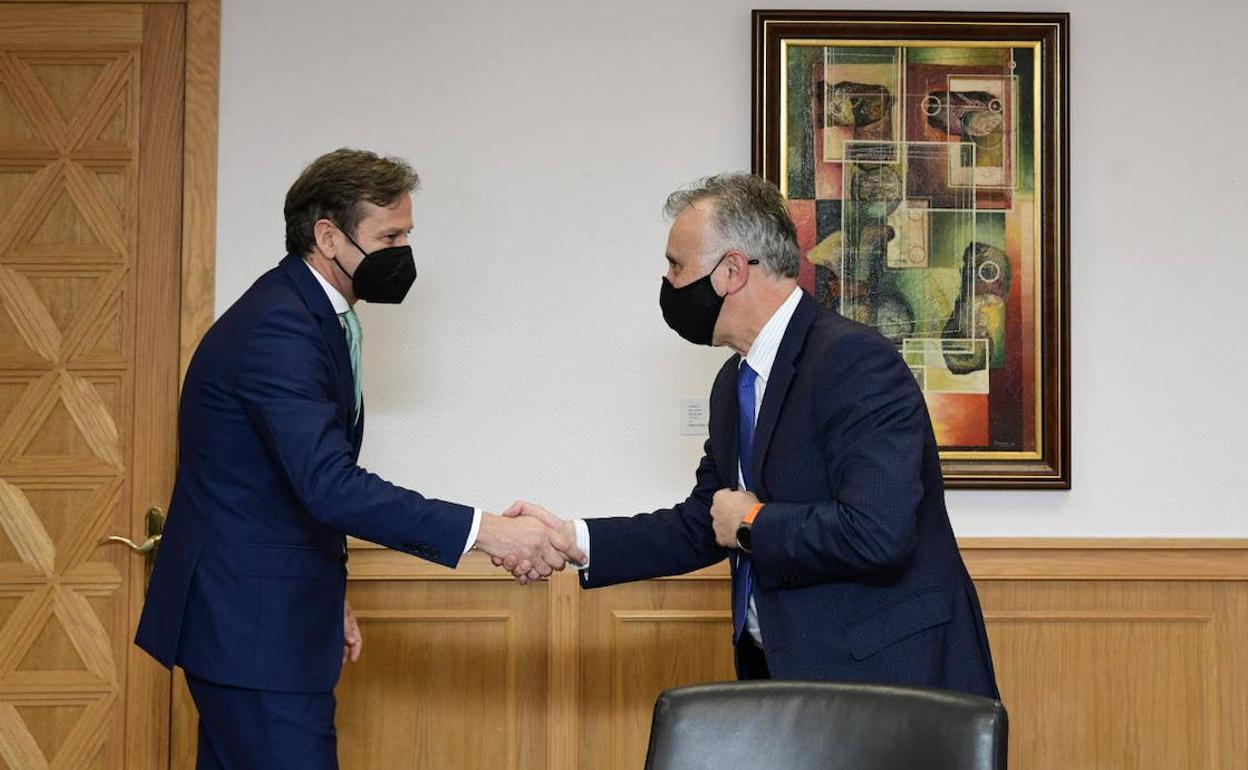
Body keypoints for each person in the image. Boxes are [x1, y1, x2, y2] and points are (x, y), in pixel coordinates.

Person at [135, 148, 580, 769]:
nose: (403, 252)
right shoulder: (280, 327)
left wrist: (325, 593)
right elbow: (329, 485)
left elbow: (284, 489)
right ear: (328, 236)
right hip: (252, 629)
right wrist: (489, 532)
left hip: (269, 616)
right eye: (390, 236)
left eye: (407, 235)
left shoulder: (313, 314)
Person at [505, 173, 998, 697]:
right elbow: (706, 521)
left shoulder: (854, 361)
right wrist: (572, 539)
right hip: (787, 677)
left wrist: (753, 522)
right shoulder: (733, 383)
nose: (668, 282)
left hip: (888, 684)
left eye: (676, 265)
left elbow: (877, 531)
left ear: (733, 270)